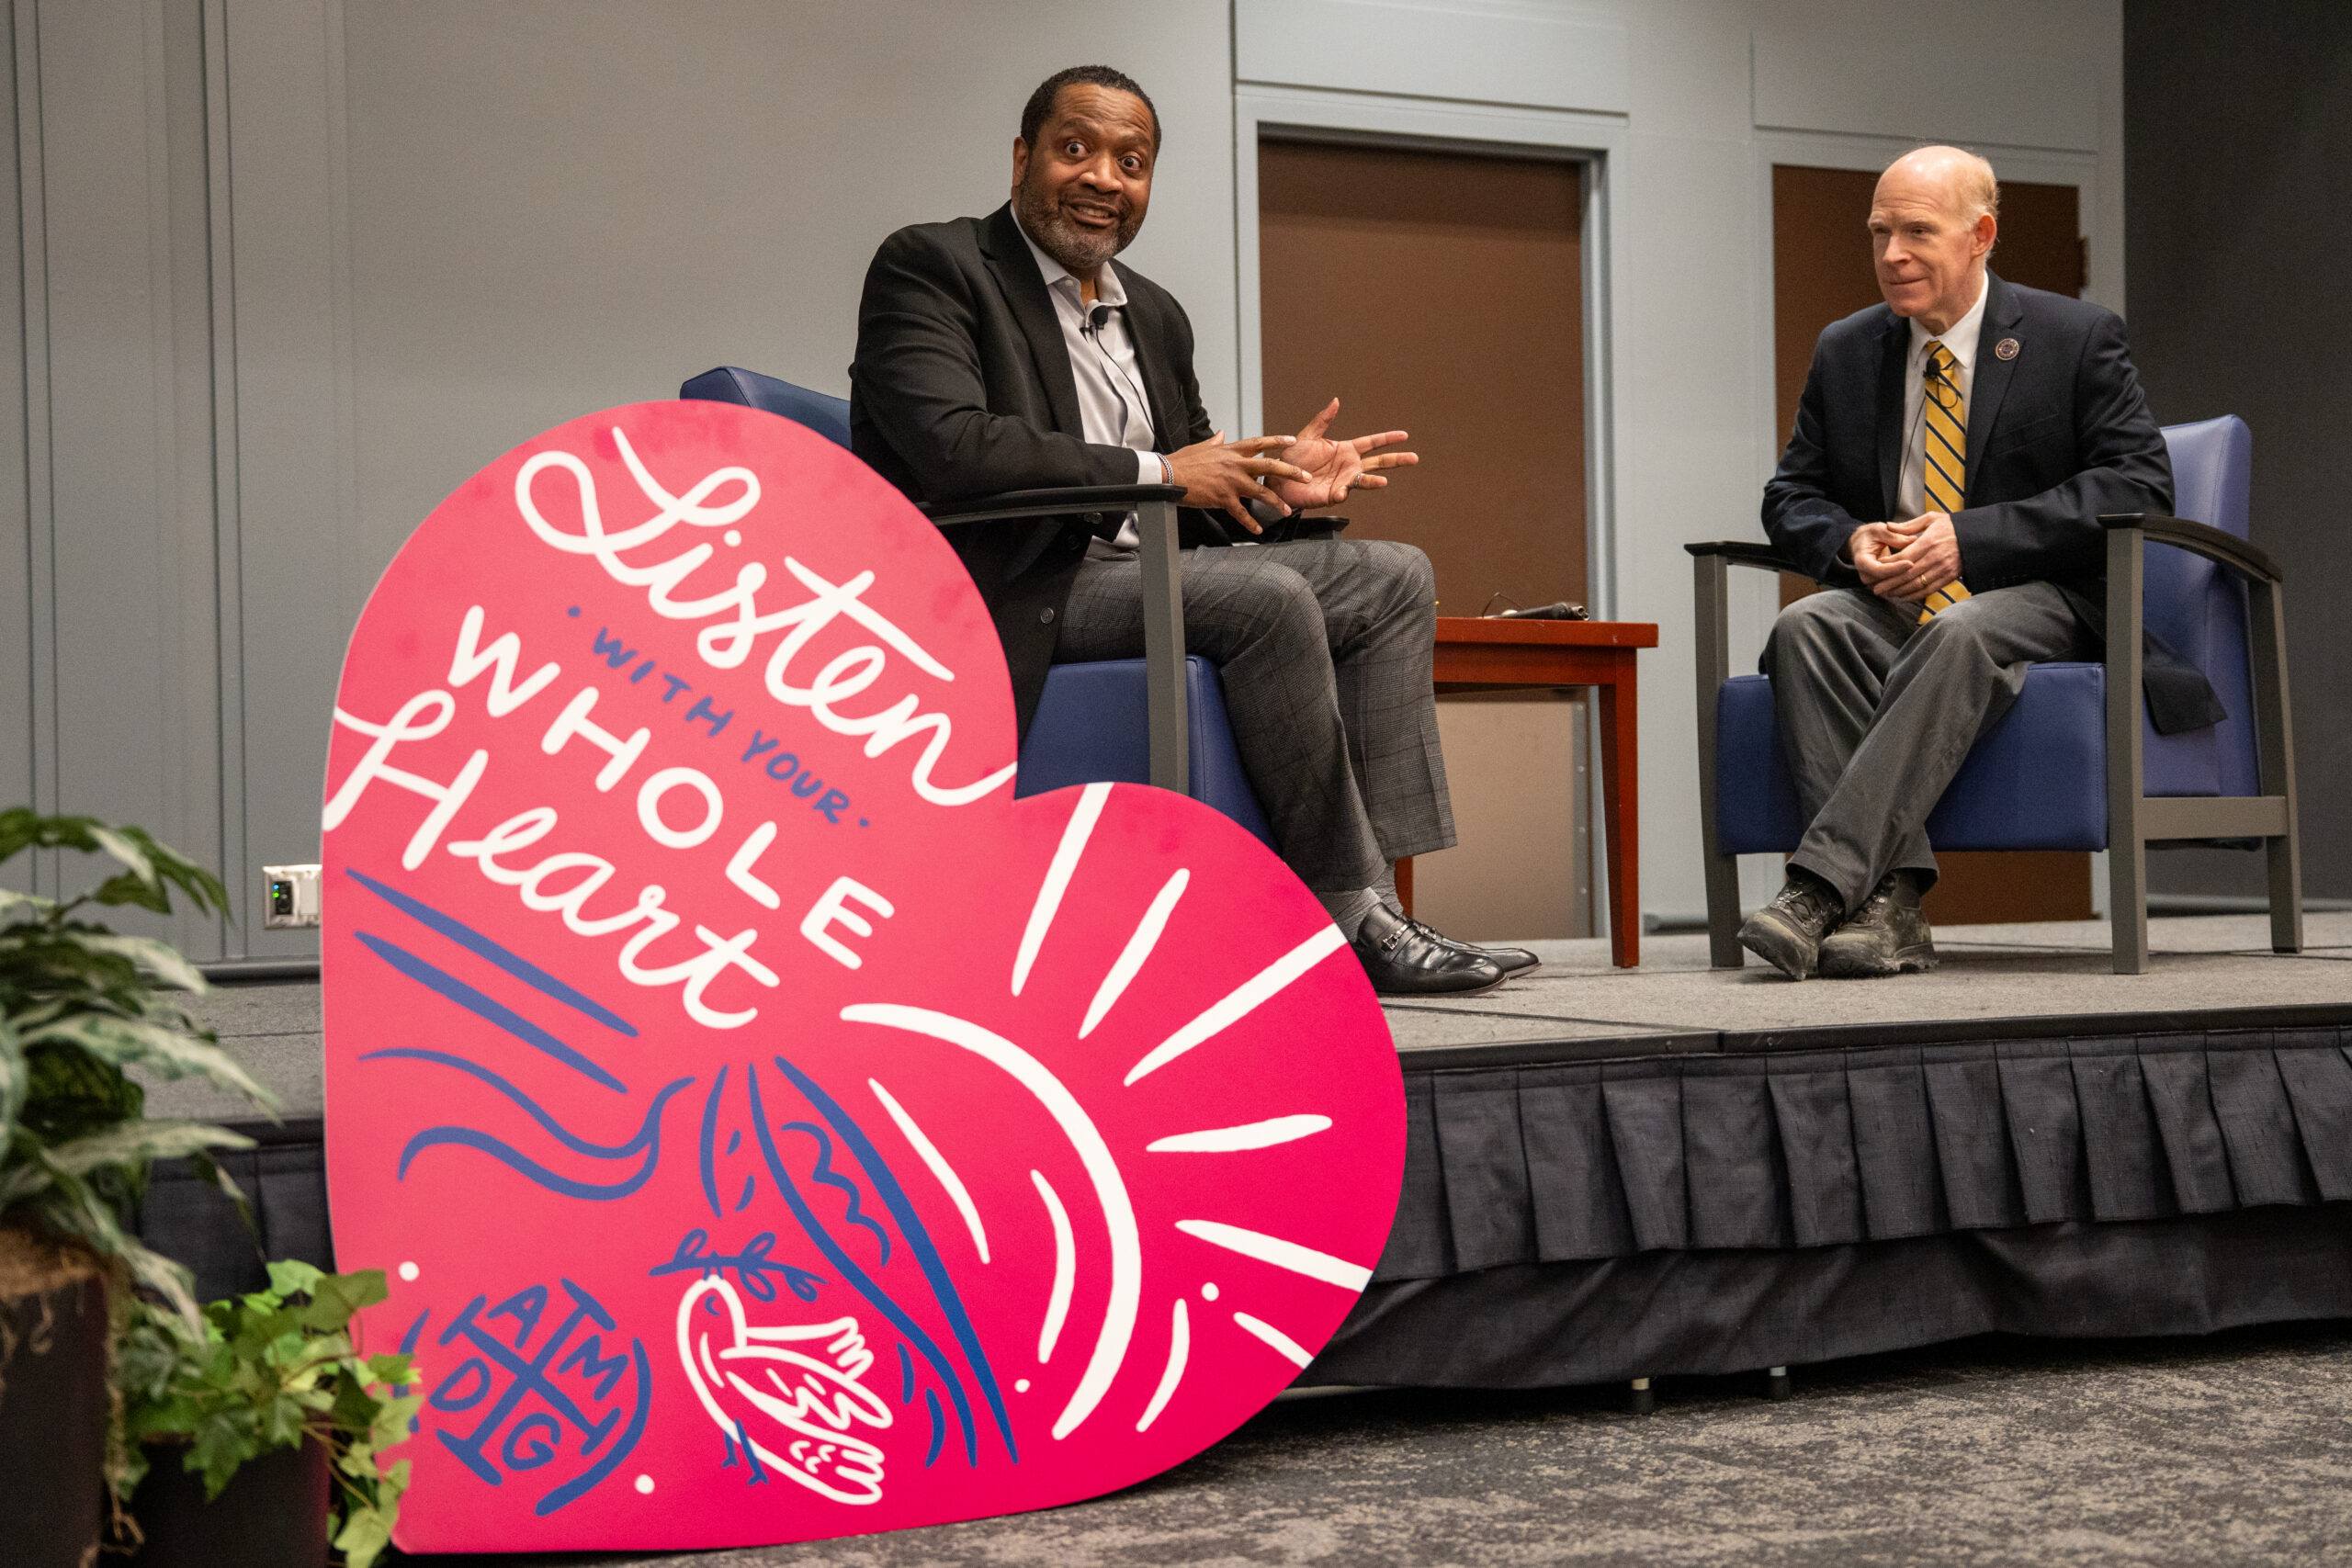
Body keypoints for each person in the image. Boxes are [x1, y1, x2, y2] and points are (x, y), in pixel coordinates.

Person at [851, 64, 1530, 996]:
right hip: (1007, 584)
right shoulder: (936, 266)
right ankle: (1344, 913)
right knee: (1267, 599)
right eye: (1076, 149)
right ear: (1022, 158)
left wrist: (1275, 490)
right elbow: (954, 448)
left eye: (1131, 163)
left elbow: (1197, 501)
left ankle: (1378, 900)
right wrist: (1162, 473)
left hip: (1144, 573)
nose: (1103, 178)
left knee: (1393, 575)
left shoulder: (1155, 315)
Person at [1747, 144, 2216, 981]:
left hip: (2049, 596)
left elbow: (2140, 484)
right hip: (1899, 599)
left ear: (1981, 235)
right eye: (1880, 232)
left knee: (1962, 628)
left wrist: (1972, 538)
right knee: (1805, 626)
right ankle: (1888, 905)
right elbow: (1790, 497)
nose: (1893, 254)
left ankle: (1817, 886)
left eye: (1918, 232)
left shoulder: (2073, 336)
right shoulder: (1848, 349)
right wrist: (1849, 541)